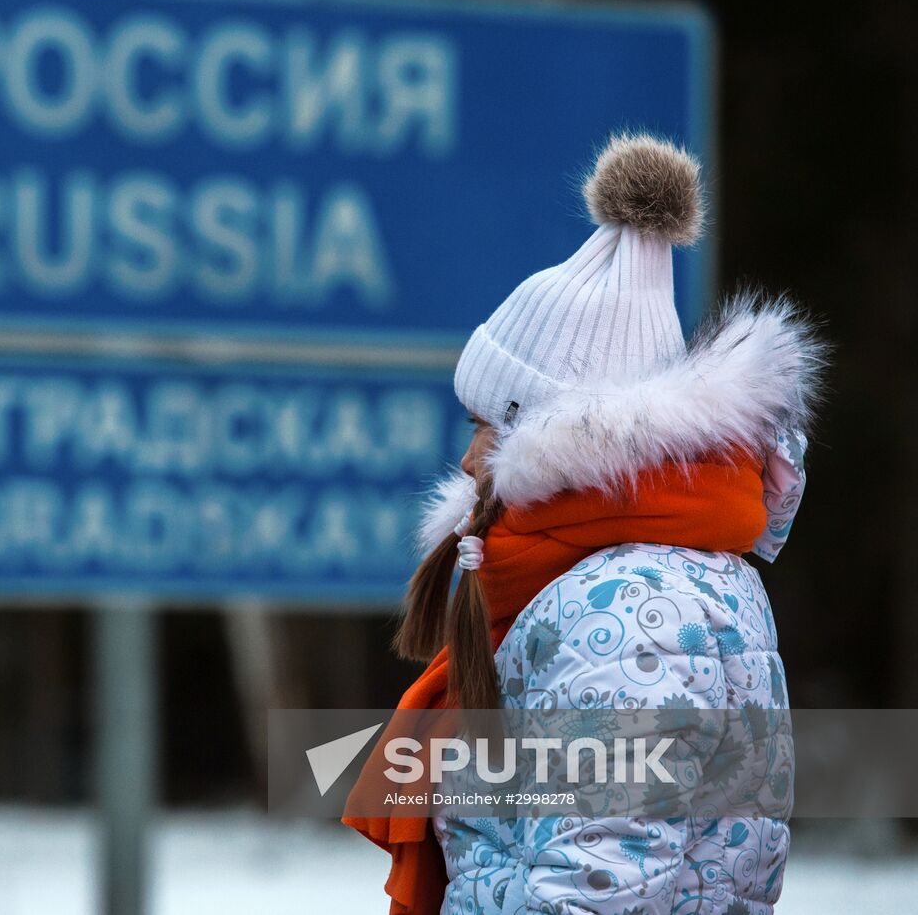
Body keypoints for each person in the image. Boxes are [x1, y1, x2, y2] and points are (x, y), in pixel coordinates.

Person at [344, 133, 825, 914]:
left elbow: (602, 886)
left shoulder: (631, 612)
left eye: (485, 427)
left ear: (555, 443)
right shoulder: (622, 583)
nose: (467, 463)